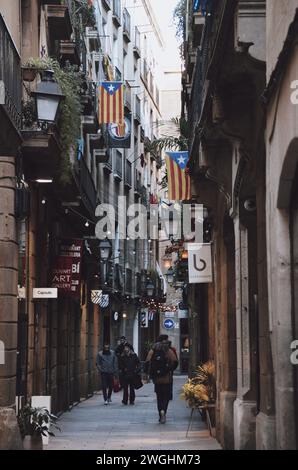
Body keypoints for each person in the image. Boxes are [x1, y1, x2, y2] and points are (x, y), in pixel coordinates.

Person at [145, 336, 178, 423]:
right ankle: (164, 411)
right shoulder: (168, 350)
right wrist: (170, 370)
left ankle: (160, 413)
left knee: (159, 397)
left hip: (157, 379)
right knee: (166, 397)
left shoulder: (153, 350)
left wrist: (150, 373)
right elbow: (175, 362)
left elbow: (147, 361)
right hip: (167, 378)